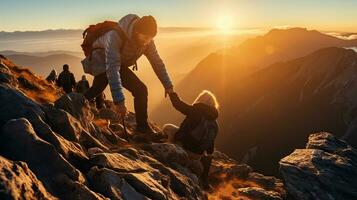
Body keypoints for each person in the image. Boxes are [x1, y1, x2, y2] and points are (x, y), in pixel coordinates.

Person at [82, 14, 174, 134]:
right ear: (136, 31)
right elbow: (113, 69)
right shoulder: (115, 36)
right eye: (145, 37)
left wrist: (168, 85)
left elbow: (157, 62)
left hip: (117, 62)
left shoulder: (147, 41)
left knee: (137, 90)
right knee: (100, 89)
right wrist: (119, 102)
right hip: (101, 60)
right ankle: (72, 102)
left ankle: (142, 128)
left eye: (150, 38)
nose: (147, 41)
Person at [163, 90, 219, 189]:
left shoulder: (195, 110)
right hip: (197, 155)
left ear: (201, 99)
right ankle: (204, 180)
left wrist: (171, 93)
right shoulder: (215, 124)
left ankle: (171, 151)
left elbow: (178, 104)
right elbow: (210, 149)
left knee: (167, 127)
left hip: (184, 148)